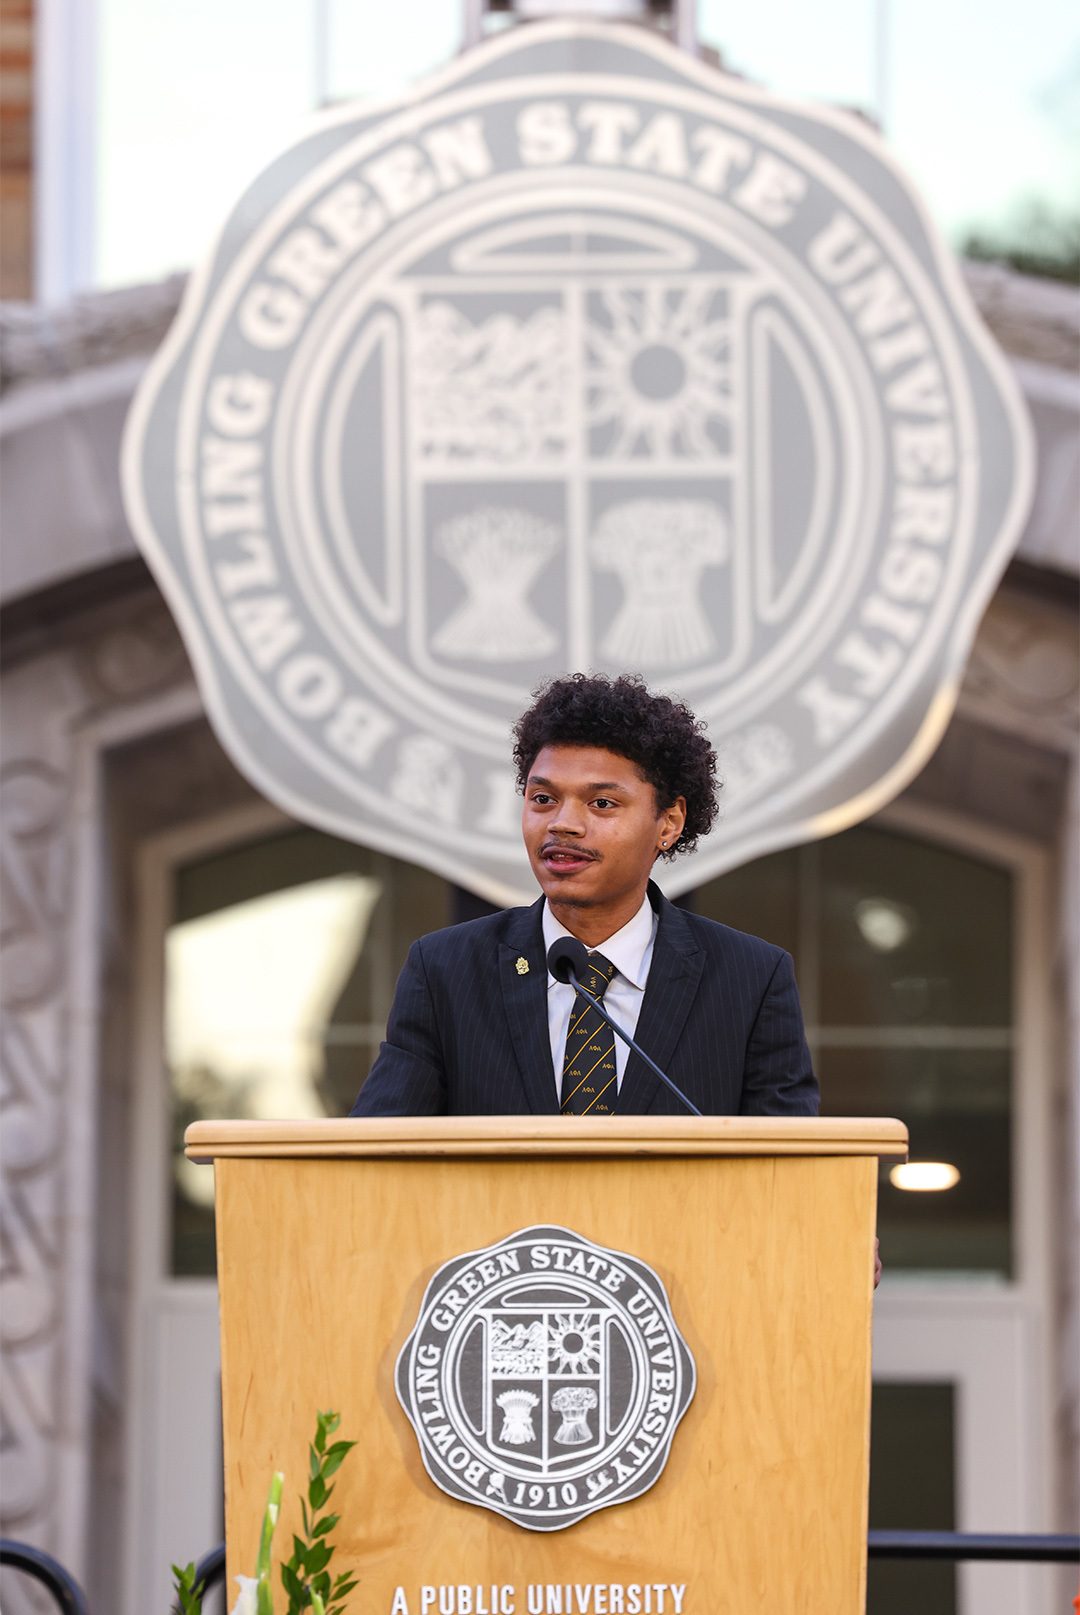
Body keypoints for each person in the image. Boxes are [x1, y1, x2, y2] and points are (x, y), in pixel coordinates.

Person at [350, 672, 819, 1118]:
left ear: (669, 823)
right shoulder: (446, 971)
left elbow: (792, 1171)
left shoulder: (751, 980)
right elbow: (375, 1153)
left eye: (601, 804)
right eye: (543, 799)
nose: (562, 824)